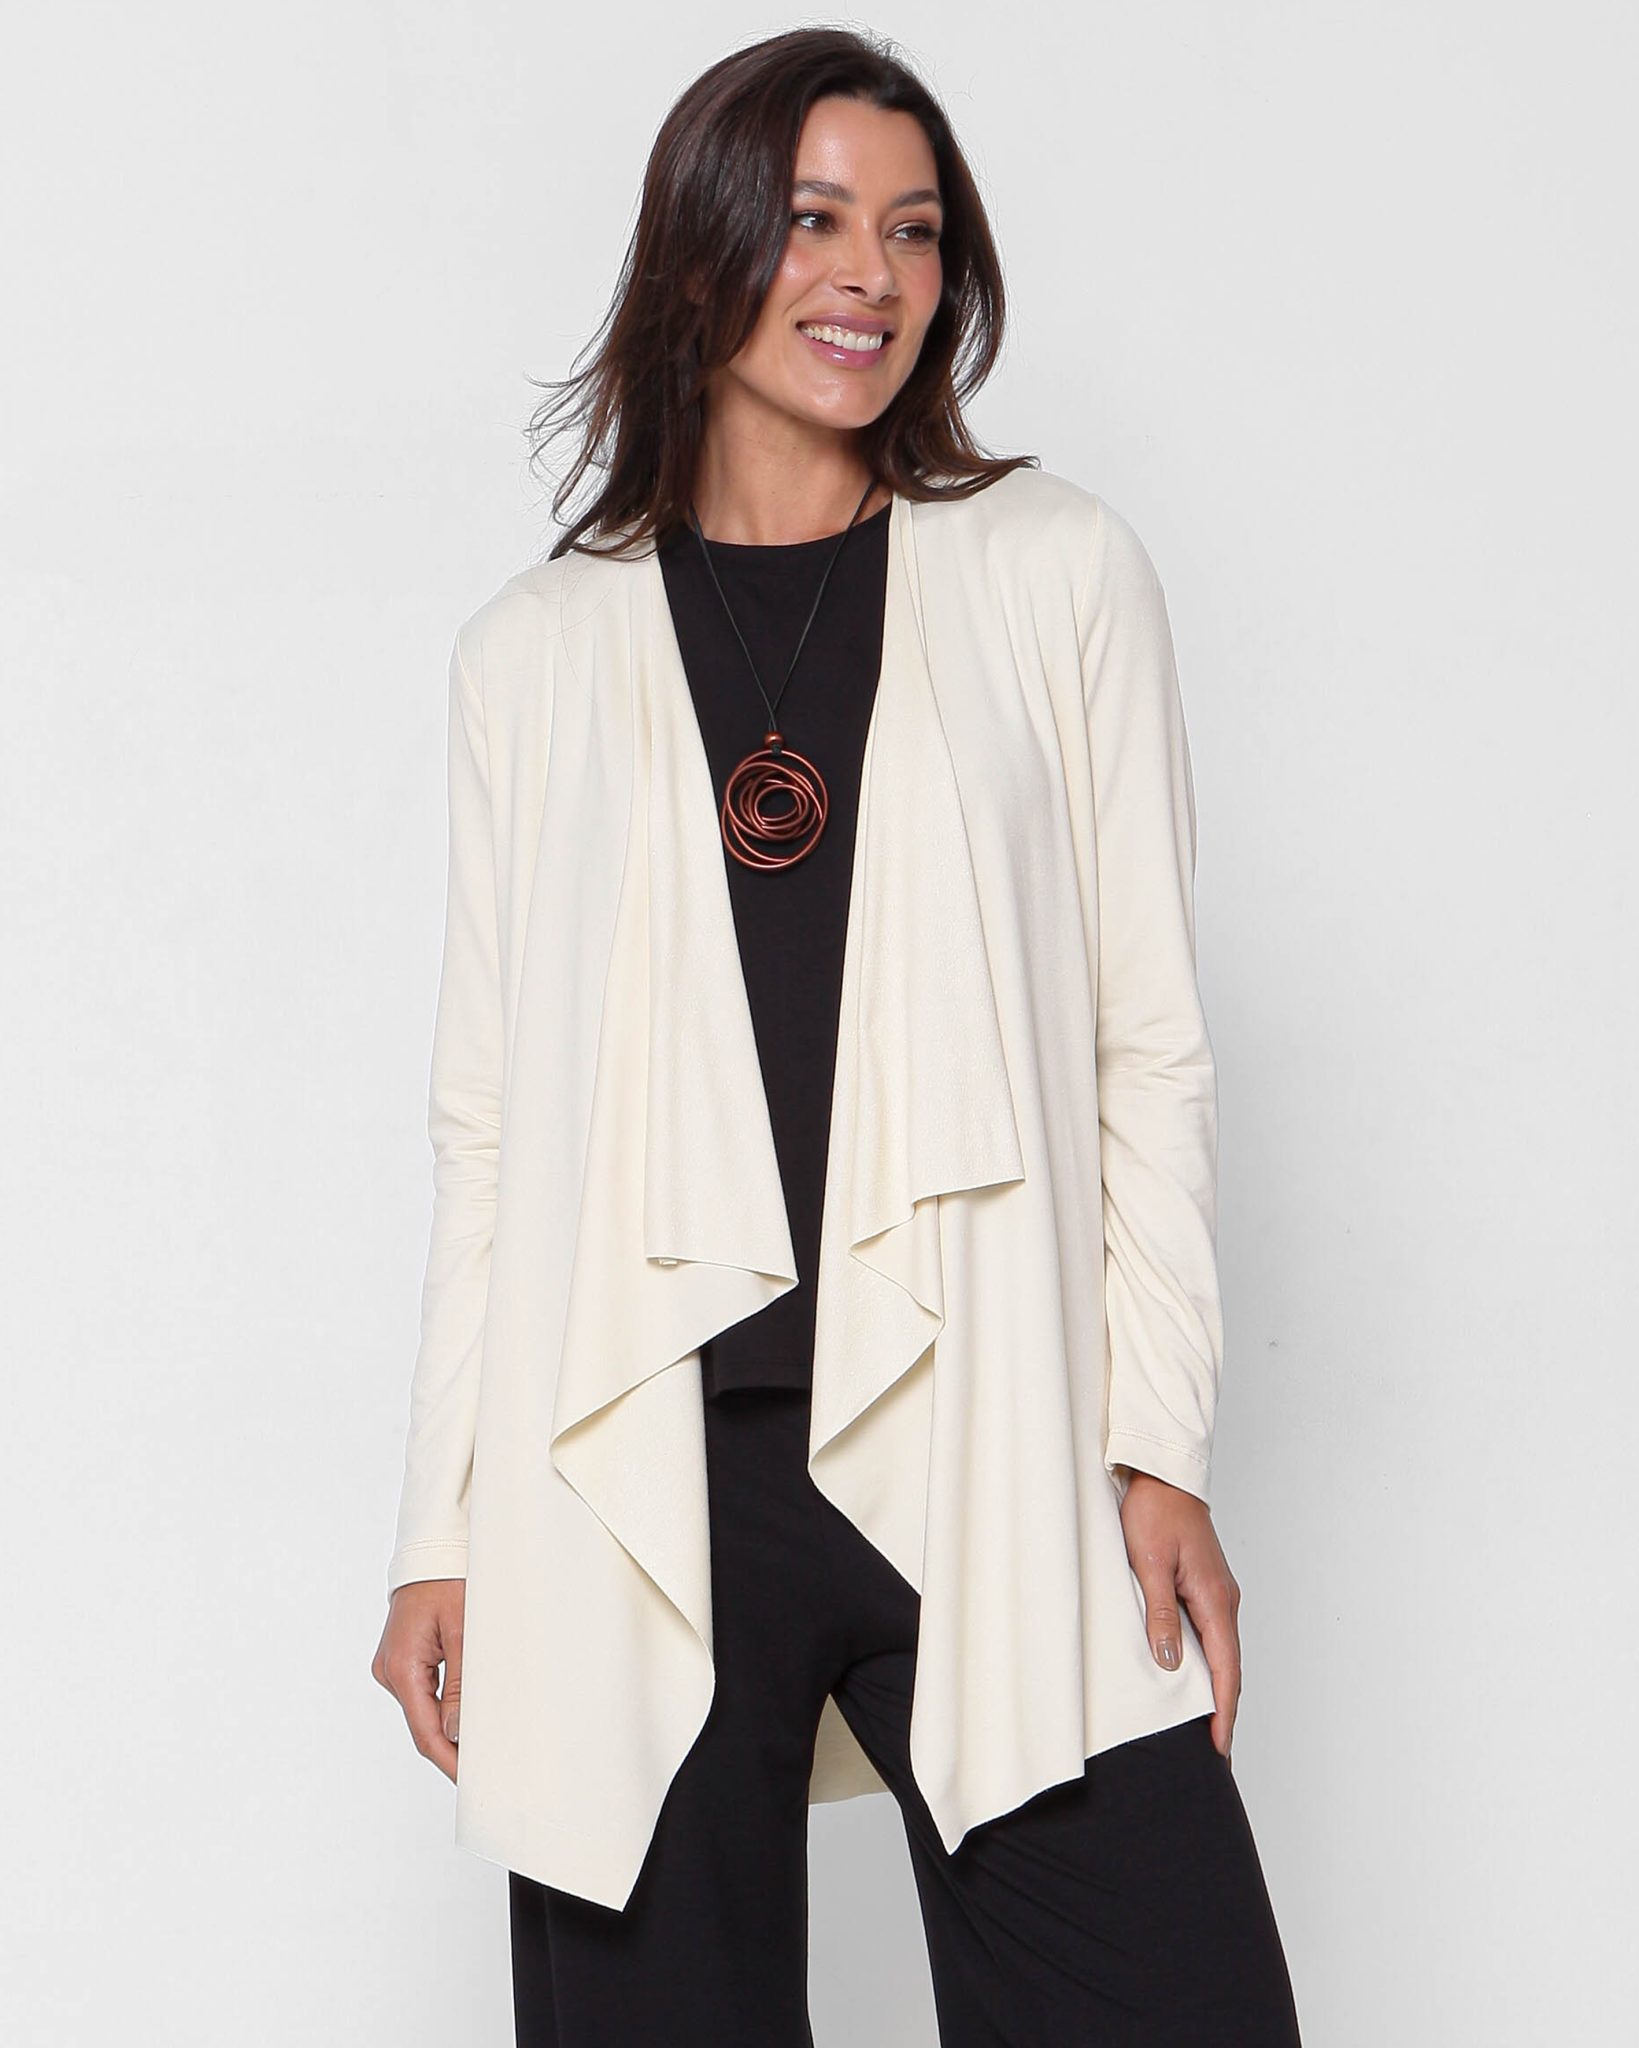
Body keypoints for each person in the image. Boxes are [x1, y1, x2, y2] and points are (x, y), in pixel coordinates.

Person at [372, 25, 1304, 2046]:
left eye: (913, 230)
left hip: (988, 1423)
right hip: (638, 1467)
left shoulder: (1055, 573)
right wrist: (440, 1531)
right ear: (704, 245)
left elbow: (1148, 1047)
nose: (869, 276)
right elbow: (489, 1130)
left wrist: (1157, 1440)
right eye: (811, 221)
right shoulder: (532, 656)